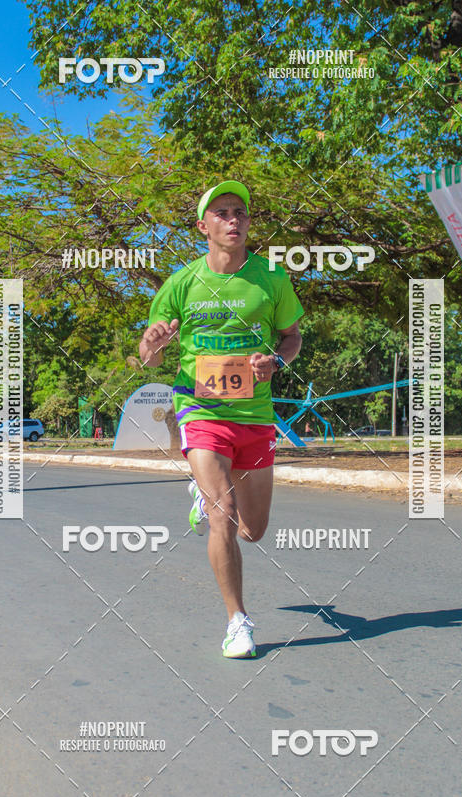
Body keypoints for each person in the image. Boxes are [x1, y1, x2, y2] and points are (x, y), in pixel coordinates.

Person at [138, 181, 303, 658]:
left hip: (255, 415)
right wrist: (153, 343)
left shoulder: (271, 279)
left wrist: (276, 360)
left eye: (241, 212)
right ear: (202, 226)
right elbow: (148, 357)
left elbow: (291, 337)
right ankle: (238, 622)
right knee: (222, 516)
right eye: (223, 212)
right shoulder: (181, 283)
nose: (234, 220)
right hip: (201, 408)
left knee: (253, 530)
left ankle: (201, 492)